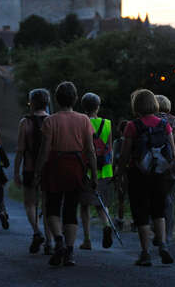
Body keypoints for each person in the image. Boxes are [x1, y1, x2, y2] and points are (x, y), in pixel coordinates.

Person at [35, 81, 97, 267]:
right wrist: (93, 175)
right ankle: (69, 253)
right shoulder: (84, 120)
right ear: (75, 99)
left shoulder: (50, 121)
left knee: (52, 207)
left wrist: (38, 171)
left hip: (55, 166)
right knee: (71, 210)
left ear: (56, 99)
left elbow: (44, 150)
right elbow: (90, 150)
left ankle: (59, 241)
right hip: (76, 167)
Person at [117, 89, 175, 266]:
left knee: (141, 213)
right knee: (159, 211)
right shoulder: (164, 124)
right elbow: (172, 152)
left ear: (136, 105)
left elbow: (125, 154)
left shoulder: (132, 126)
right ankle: (163, 245)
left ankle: (145, 254)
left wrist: (120, 174)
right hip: (160, 174)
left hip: (138, 175)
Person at [13, 88, 54, 255]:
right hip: (48, 168)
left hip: (29, 168)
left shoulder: (25, 122)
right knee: (46, 205)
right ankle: (49, 242)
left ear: (32, 103)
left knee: (30, 204)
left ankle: (37, 232)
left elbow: (20, 149)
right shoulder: (52, 120)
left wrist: (16, 171)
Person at [78, 92, 114, 250]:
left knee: (84, 205)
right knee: (101, 205)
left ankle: (87, 240)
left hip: (86, 171)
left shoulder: (81, 123)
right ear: (98, 107)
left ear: (83, 107)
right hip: (105, 170)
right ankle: (106, 225)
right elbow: (110, 149)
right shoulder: (107, 123)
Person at [155, 95, 175, 246]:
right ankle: (168, 235)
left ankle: (157, 231)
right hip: (172, 167)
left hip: (153, 166)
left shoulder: (149, 120)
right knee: (169, 201)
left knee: (153, 199)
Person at [112, 119, 129, 230]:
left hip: (120, 172)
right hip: (132, 171)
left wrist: (114, 174)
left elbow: (114, 161)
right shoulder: (134, 140)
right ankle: (135, 223)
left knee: (121, 198)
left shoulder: (117, 143)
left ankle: (120, 220)